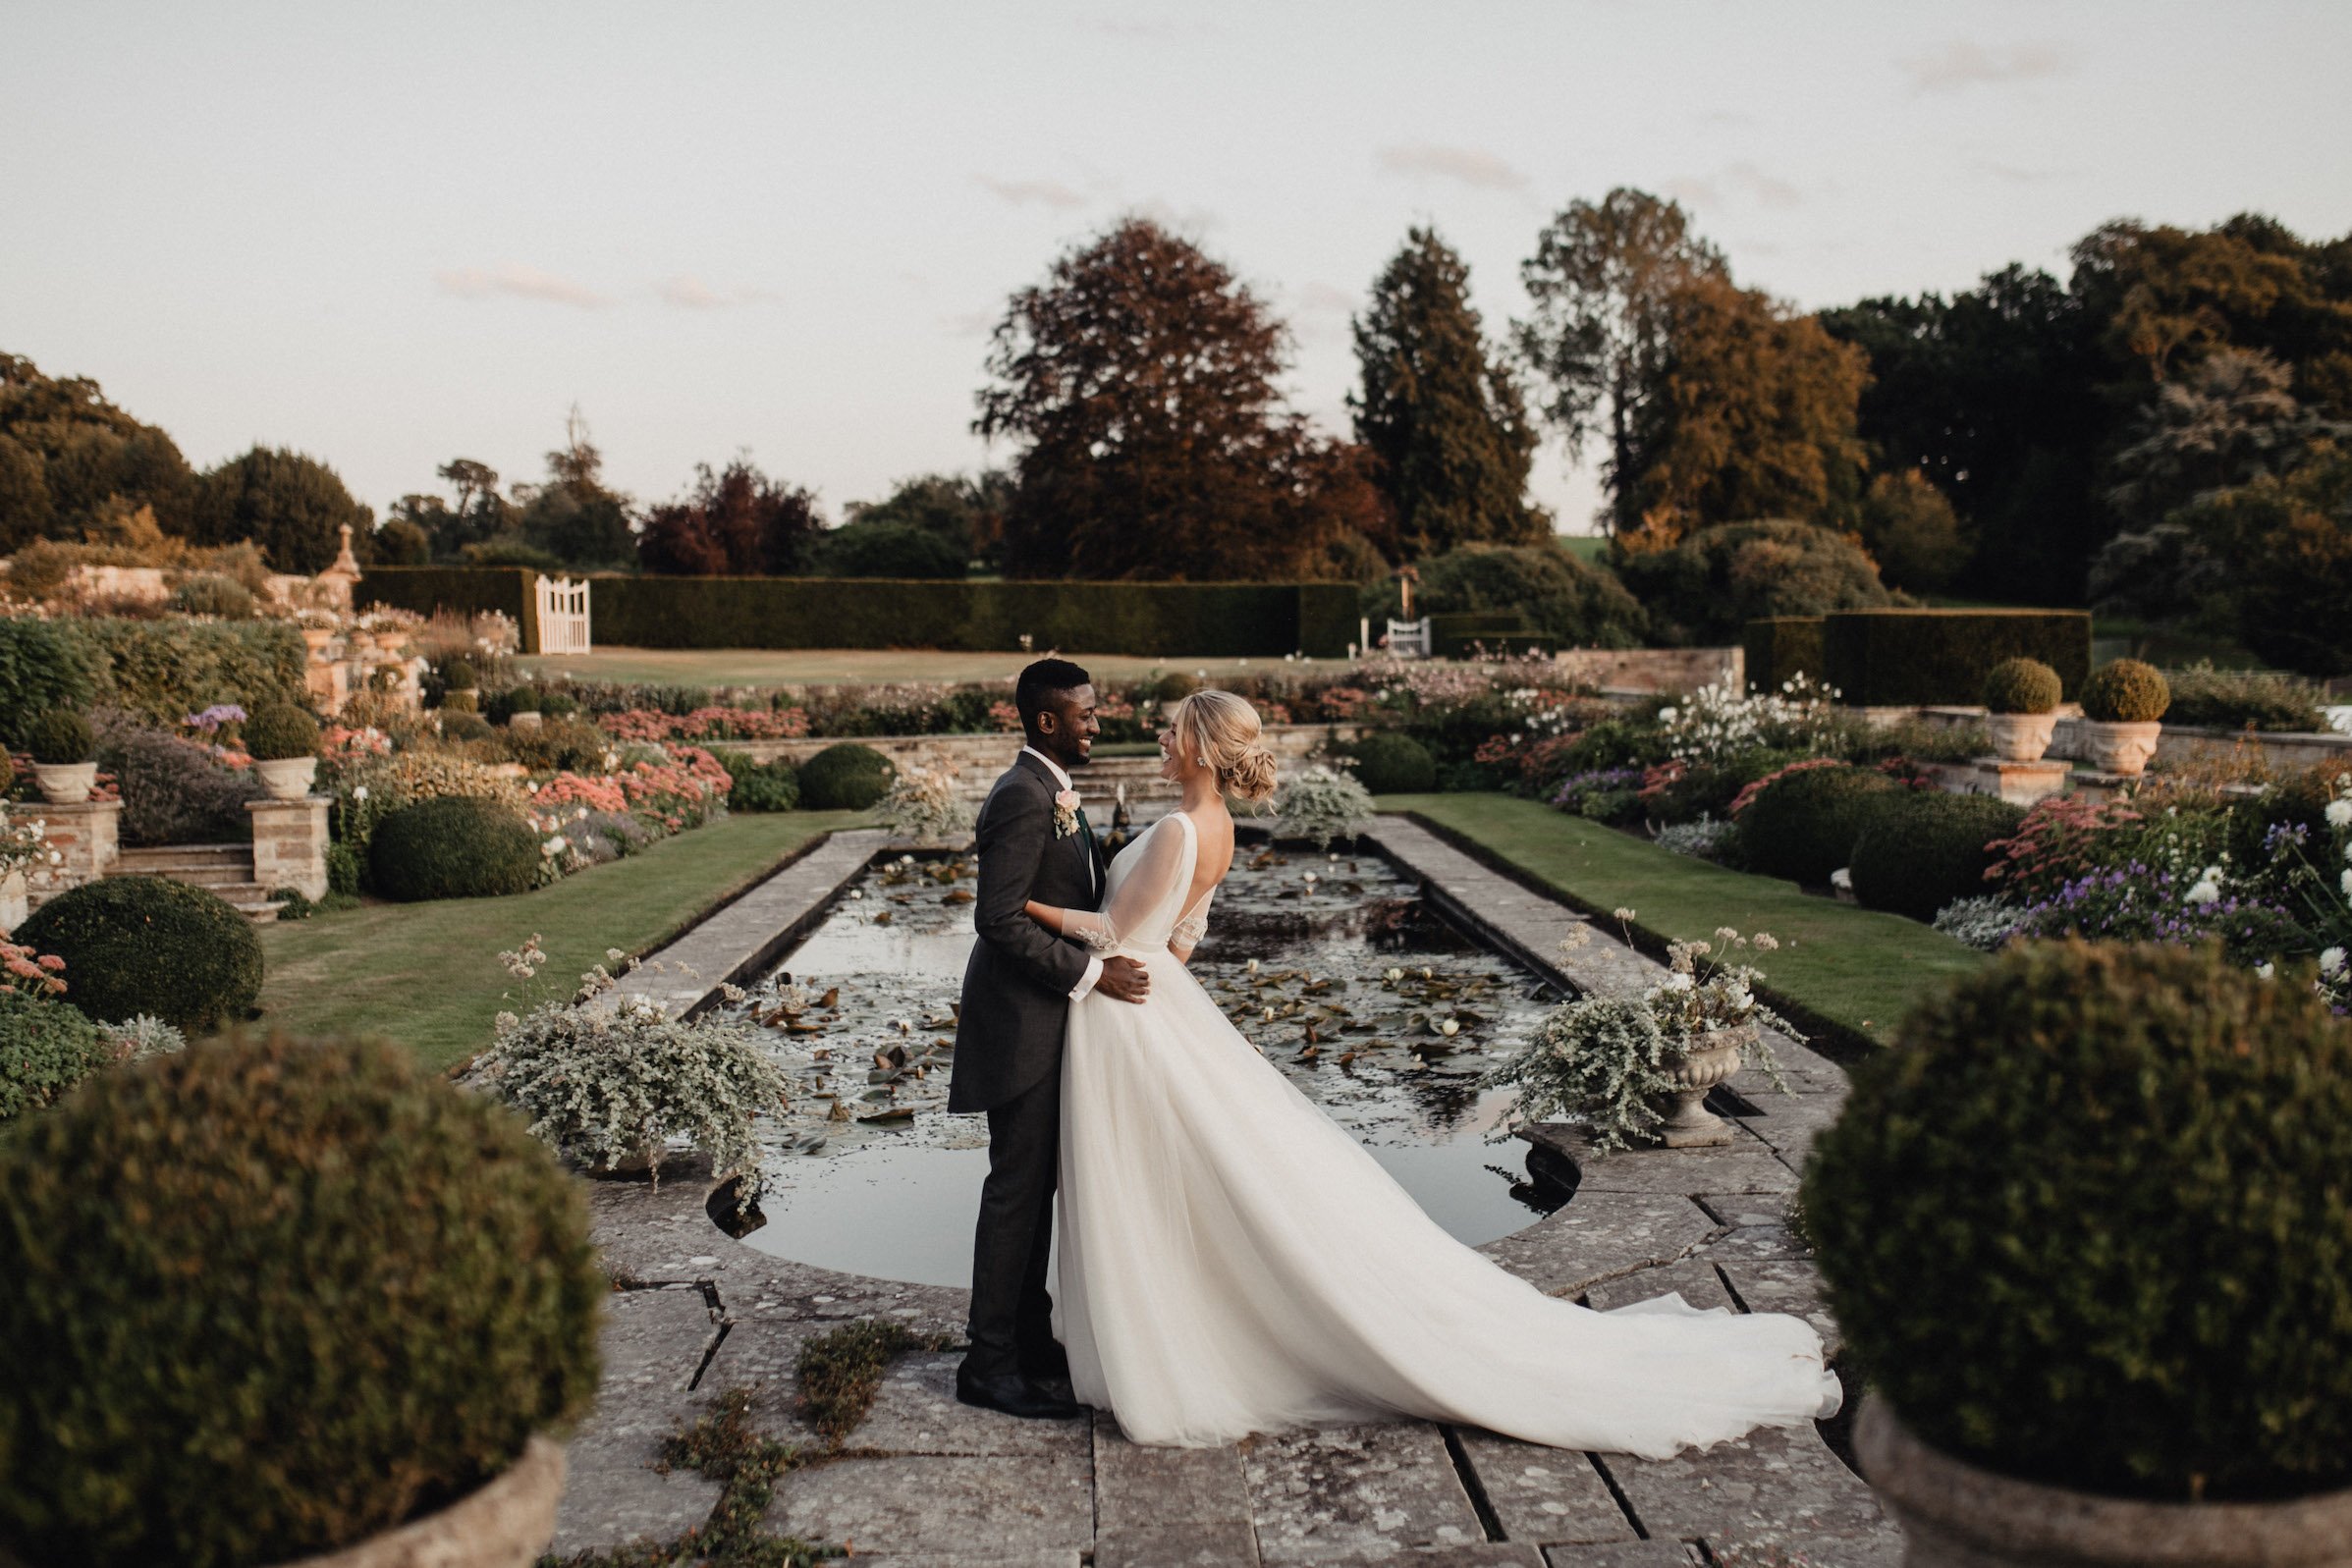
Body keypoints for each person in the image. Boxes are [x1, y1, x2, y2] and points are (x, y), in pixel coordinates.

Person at [1017, 688, 1843, 1451]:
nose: (1158, 738)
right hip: (1162, 1003)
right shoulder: (1219, 829)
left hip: (1132, 1016)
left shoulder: (1176, 829)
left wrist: (1021, 906)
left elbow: (1110, 931)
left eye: (1170, 730)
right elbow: (1185, 938)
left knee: (1163, 1177)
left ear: (1198, 744)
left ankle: (1175, 1335)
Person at [950, 658, 1151, 1421]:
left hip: (1046, 1021)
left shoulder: (1050, 790)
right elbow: (996, 919)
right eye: (1085, 714)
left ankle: (1030, 1345)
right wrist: (1091, 975)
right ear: (1046, 721)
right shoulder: (1021, 796)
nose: (1096, 723)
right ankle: (987, 1362)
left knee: (1037, 1195)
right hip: (1019, 1026)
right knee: (1015, 1195)